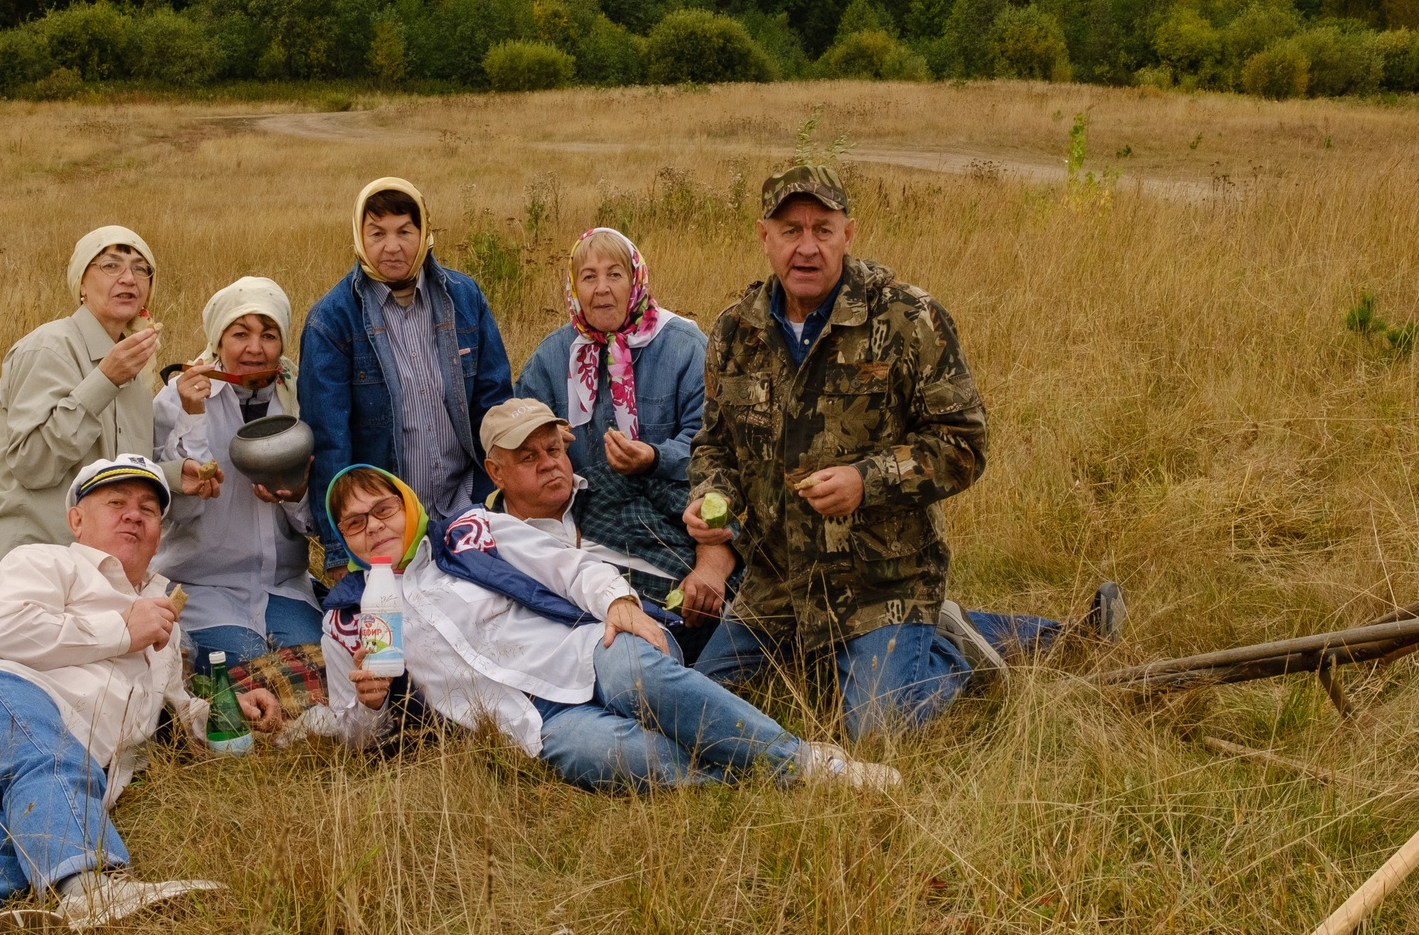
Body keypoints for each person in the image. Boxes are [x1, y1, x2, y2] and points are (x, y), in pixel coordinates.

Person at [683, 164, 1122, 741]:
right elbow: (714, 441)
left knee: (879, 726)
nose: (807, 247)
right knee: (698, 709)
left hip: (883, 581)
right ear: (764, 237)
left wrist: (869, 480)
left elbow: (964, 442)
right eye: (791, 231)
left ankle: (953, 648)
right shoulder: (734, 331)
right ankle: (947, 631)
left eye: (824, 229)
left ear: (849, 233)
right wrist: (711, 492)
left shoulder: (909, 318)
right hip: (778, 583)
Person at [310, 459, 900, 792]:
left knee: (644, 678)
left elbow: (568, 568)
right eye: (356, 523)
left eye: (382, 508)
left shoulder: (469, 533)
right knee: (628, 761)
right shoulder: (349, 616)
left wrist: (617, 601)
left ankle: (812, 766)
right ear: (345, 539)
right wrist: (372, 702)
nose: (374, 526)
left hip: (582, 649)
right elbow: (355, 734)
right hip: (527, 724)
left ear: (405, 504)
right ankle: (750, 783)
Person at [0, 456, 279, 935]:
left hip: (14, 775)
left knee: (7, 827)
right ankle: (91, 888)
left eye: (149, 510)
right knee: (45, 753)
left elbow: (172, 706)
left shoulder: (163, 618)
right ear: (76, 520)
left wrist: (228, 708)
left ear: (159, 533)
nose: (134, 515)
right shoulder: (47, 561)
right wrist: (120, 631)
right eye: (116, 503)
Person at [0, 225, 211, 601]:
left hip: (96, 571)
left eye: (141, 269)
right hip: (26, 566)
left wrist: (173, 476)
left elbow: (110, 468)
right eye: (111, 265)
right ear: (81, 283)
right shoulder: (48, 349)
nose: (128, 278)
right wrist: (104, 380)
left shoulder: (136, 369)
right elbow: (32, 464)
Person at [516, 227, 732, 650]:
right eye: (589, 277)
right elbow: (517, 430)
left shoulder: (684, 346)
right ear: (573, 288)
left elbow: (714, 442)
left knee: (704, 577)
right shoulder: (553, 356)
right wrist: (541, 438)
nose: (602, 290)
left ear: (636, 281)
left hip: (672, 510)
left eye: (615, 275)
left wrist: (653, 457)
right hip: (586, 516)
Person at [299, 177, 513, 569]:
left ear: (424, 232)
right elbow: (330, 440)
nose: (392, 246)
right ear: (359, 236)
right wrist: (336, 549)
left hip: (469, 504)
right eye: (377, 233)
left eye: (404, 231)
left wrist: (508, 499)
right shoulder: (331, 321)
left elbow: (494, 401)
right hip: (386, 525)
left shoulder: (465, 299)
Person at [153, 276, 322, 675]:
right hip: (200, 584)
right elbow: (177, 509)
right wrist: (193, 417)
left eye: (268, 335)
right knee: (245, 665)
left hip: (281, 584)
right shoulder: (178, 397)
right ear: (218, 340)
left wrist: (293, 493)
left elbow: (312, 521)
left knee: (315, 667)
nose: (254, 348)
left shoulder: (298, 396)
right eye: (240, 334)